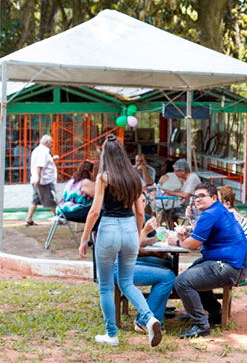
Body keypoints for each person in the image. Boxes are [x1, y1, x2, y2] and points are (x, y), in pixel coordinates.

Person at [78, 134, 162, 347]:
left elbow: (94, 211)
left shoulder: (104, 177)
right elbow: (140, 212)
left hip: (108, 229)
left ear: (105, 154)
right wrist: (136, 234)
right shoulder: (134, 178)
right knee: (127, 282)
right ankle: (149, 318)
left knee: (106, 286)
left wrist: (84, 238)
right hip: (129, 229)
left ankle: (111, 334)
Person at [169, 183, 247, 338]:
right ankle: (214, 313)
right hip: (232, 264)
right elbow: (197, 238)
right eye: (195, 196)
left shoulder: (210, 214)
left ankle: (200, 325)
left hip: (230, 267)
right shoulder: (217, 210)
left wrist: (177, 242)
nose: (197, 200)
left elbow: (193, 244)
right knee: (193, 269)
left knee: (182, 282)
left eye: (202, 196)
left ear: (213, 198)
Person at [118, 215, 176, 334]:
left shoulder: (129, 217)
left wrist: (155, 239)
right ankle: (144, 322)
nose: (143, 205)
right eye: (141, 201)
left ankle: (156, 308)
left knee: (167, 263)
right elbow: (131, 250)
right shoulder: (124, 219)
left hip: (124, 263)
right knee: (168, 277)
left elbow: (138, 244)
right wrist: (145, 231)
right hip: (119, 267)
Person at [26, 135, 57, 226]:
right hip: (43, 181)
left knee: (35, 200)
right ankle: (58, 217)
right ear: (46, 143)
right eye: (51, 142)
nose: (52, 144)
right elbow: (39, 166)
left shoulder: (38, 150)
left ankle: (29, 218)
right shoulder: (43, 152)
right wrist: (39, 178)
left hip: (38, 180)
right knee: (52, 199)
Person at [161, 159, 201, 227]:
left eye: (176, 171)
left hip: (193, 209)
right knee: (167, 212)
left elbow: (186, 195)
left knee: (167, 213)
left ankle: (170, 230)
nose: (174, 173)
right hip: (187, 206)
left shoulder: (192, 178)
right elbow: (184, 194)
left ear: (183, 171)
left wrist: (170, 192)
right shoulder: (187, 179)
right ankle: (173, 230)